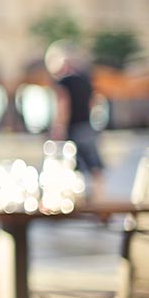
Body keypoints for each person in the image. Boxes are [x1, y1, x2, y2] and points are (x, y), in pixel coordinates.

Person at [46, 40, 104, 192]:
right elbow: (94, 102)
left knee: (70, 163)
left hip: (73, 127)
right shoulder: (86, 81)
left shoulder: (64, 82)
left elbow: (63, 106)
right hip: (86, 126)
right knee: (94, 164)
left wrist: (58, 127)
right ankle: (99, 195)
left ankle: (74, 196)